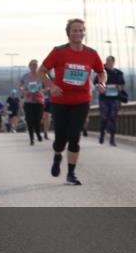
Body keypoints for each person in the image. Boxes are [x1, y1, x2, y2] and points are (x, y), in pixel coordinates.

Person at [40, 18, 106, 186]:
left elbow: (101, 72)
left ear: (84, 32)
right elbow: (43, 71)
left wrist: (101, 83)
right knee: (60, 139)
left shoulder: (91, 54)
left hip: (81, 101)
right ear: (68, 33)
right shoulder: (58, 51)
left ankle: (71, 173)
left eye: (80, 30)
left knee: (74, 137)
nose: (78, 33)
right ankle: (57, 155)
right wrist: (51, 85)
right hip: (60, 100)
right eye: (74, 30)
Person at [98, 55, 127, 146]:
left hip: (115, 98)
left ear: (113, 62)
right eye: (107, 61)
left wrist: (119, 87)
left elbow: (122, 85)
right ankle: (102, 132)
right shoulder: (102, 72)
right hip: (104, 99)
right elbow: (97, 83)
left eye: (110, 61)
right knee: (104, 118)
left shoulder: (118, 73)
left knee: (113, 118)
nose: (108, 63)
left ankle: (112, 138)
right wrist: (102, 87)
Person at [20, 60, 46, 145]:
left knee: (37, 120)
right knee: (29, 120)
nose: (35, 67)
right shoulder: (25, 77)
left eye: (36, 65)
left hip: (39, 101)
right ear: (30, 66)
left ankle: (38, 133)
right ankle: (31, 138)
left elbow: (48, 86)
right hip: (28, 101)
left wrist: (42, 91)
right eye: (33, 65)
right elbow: (20, 86)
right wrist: (24, 91)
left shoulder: (42, 76)